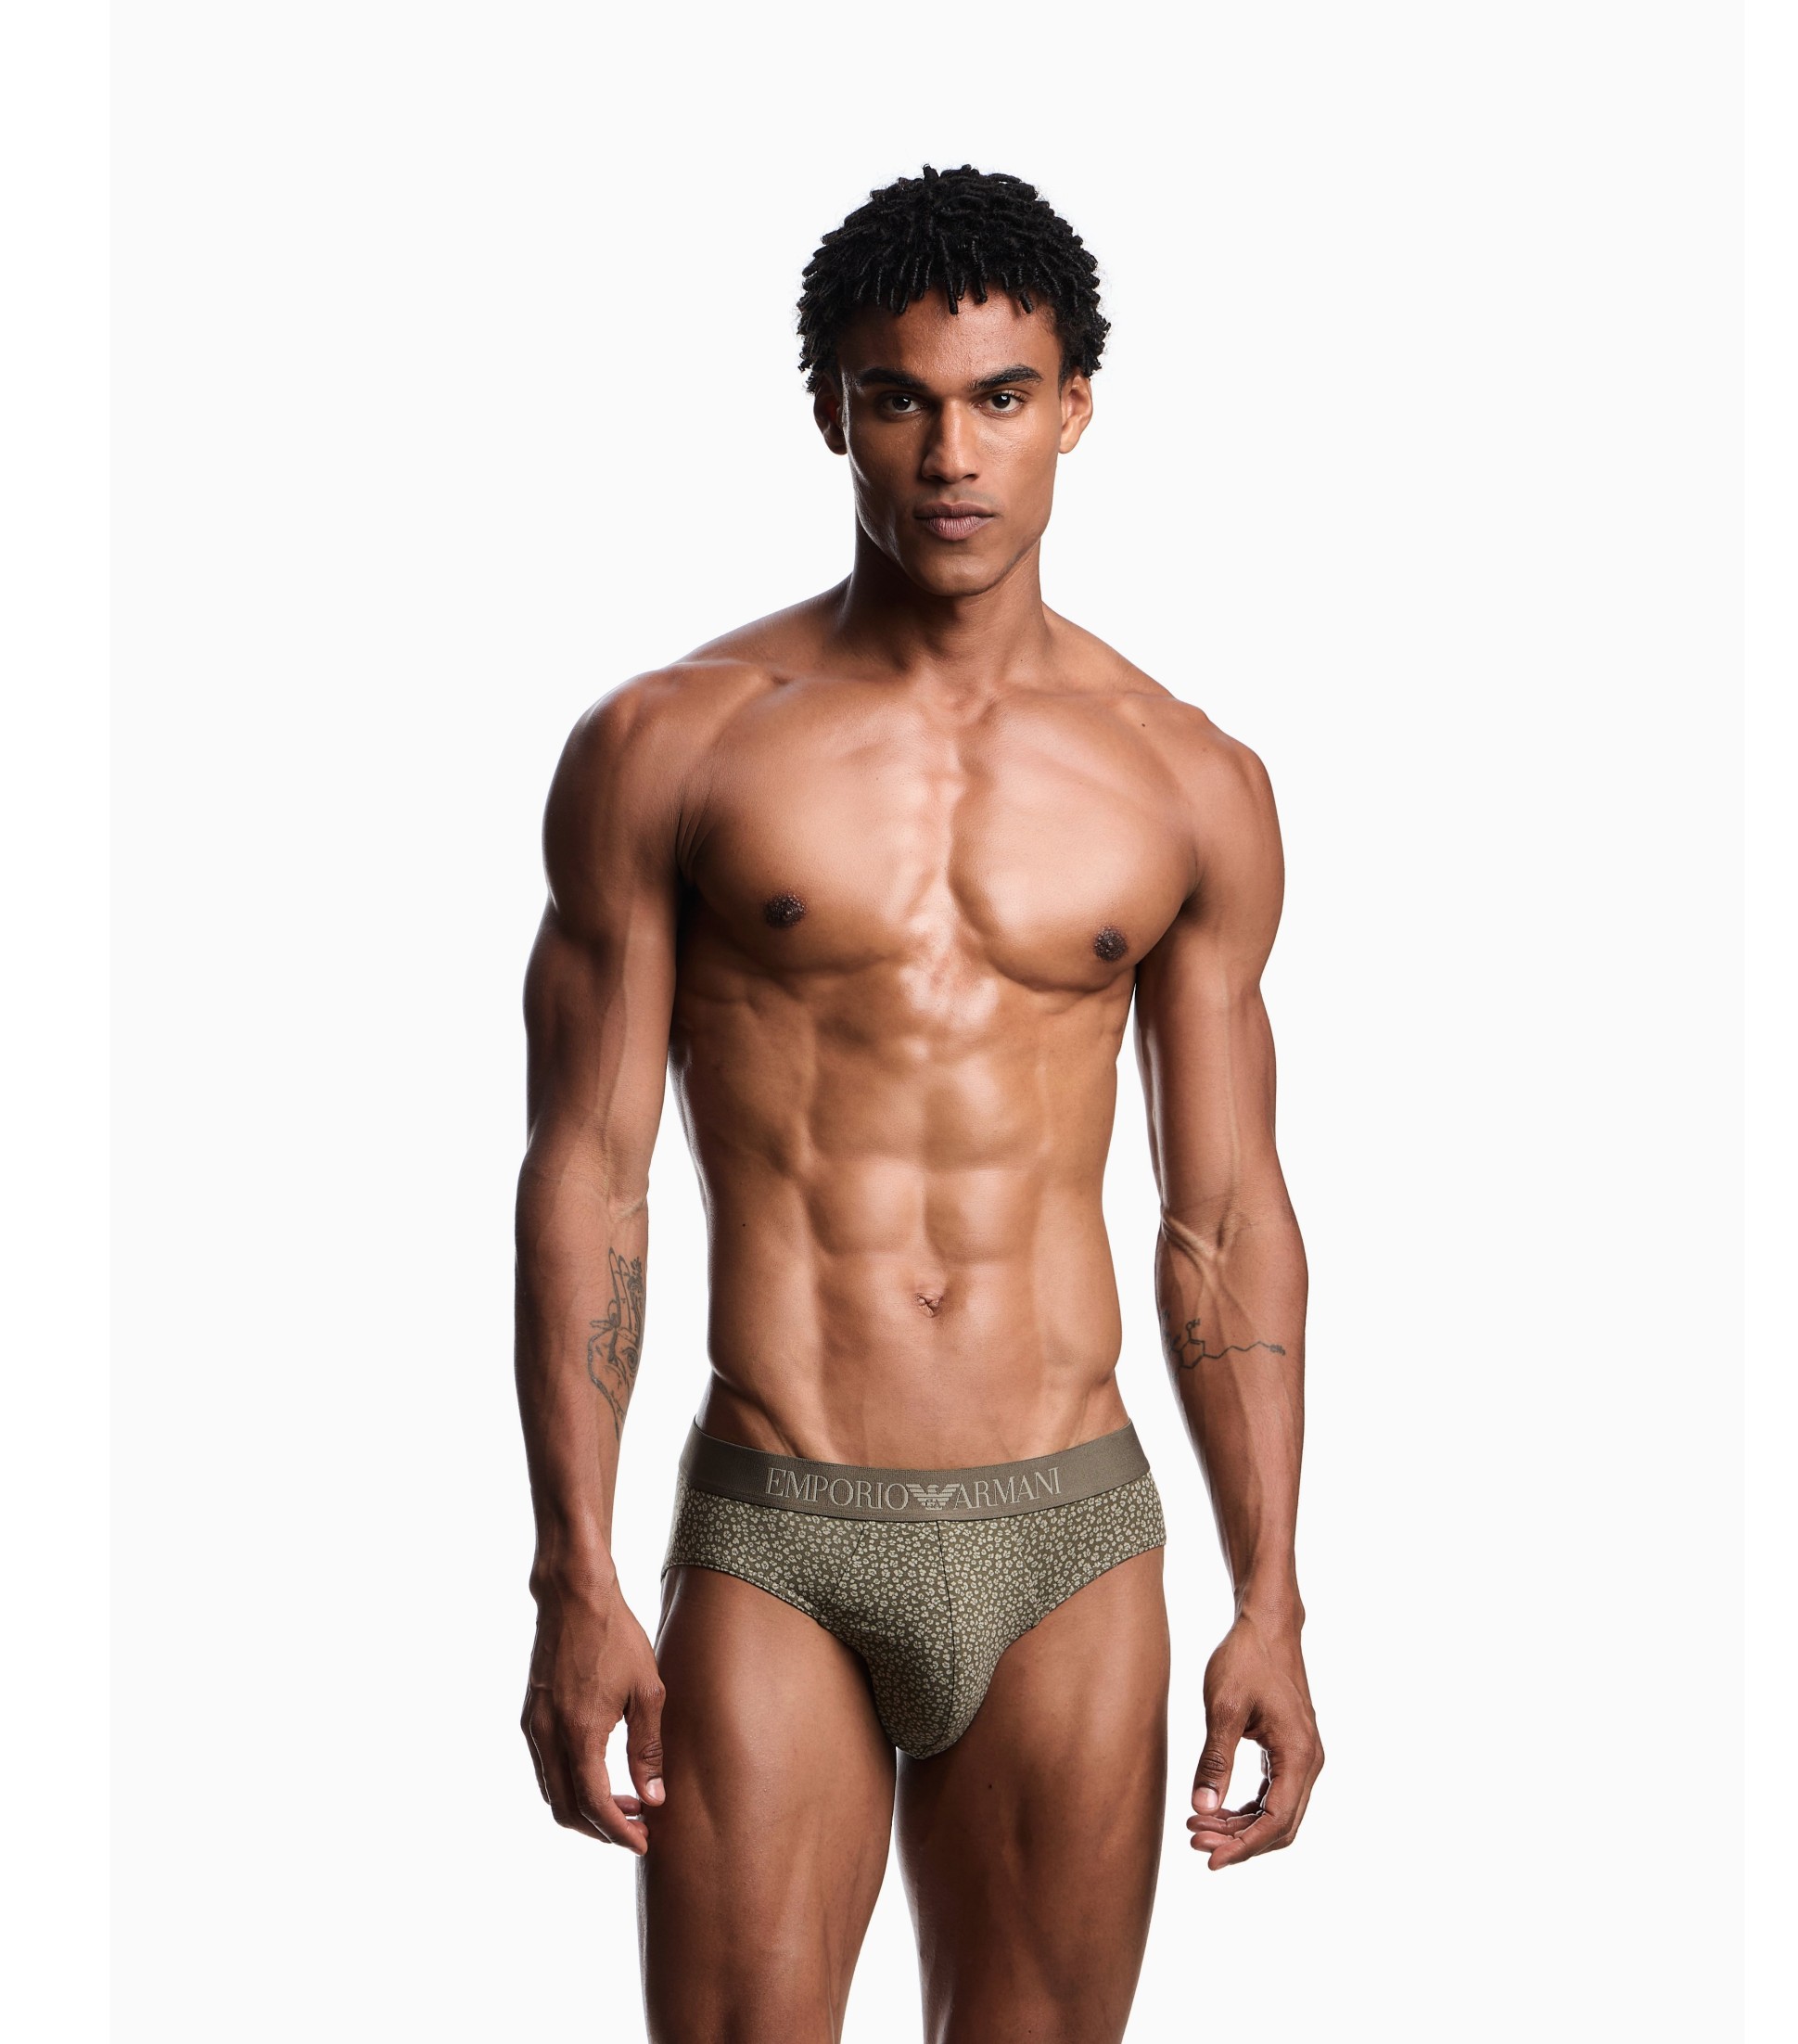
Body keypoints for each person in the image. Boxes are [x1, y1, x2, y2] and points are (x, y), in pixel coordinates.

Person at [514, 164, 1321, 2043]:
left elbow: (1224, 1213)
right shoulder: (672, 744)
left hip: (1069, 1532)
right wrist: (572, 1573)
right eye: (901, 399)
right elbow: (590, 1177)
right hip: (780, 1522)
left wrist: (1272, 1594)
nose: (952, 455)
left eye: (1001, 398)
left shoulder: (1187, 780)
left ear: (1076, 407)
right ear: (833, 411)